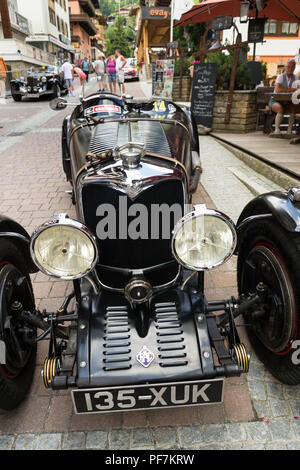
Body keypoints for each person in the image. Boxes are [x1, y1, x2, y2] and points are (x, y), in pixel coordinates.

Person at [269, 59, 300, 136]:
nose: (290, 69)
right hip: (275, 101)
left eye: (292, 67)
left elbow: (298, 90)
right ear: (285, 67)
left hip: (287, 101)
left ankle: (289, 130)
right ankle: (277, 130)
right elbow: (277, 90)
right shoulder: (280, 77)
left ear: (294, 68)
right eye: (288, 67)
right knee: (280, 109)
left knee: (294, 109)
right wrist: (292, 89)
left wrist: (294, 90)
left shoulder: (295, 77)